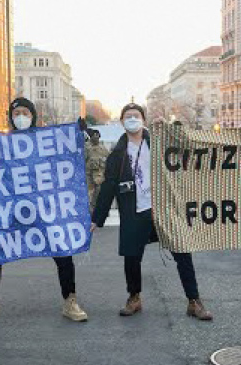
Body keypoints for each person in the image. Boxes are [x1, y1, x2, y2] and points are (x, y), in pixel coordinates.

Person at [0, 97, 88, 324]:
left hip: (43, 208)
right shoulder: (3, 142)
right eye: (17, 112)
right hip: (13, 210)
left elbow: (66, 158)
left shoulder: (45, 141)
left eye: (25, 113)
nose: (21, 116)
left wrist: (77, 135)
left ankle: (70, 300)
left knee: (63, 253)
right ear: (11, 117)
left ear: (33, 116)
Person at [91, 103, 213, 321]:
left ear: (143, 120)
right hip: (134, 211)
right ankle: (134, 297)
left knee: (183, 253)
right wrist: (96, 219)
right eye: (128, 117)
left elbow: (187, 145)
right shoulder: (117, 154)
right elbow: (108, 186)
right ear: (121, 122)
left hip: (164, 210)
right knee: (131, 257)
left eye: (136, 116)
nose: (132, 119)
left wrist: (167, 127)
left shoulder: (158, 142)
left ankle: (193, 301)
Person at [84, 128, 109, 211]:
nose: (96, 137)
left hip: (99, 176)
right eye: (94, 135)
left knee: (98, 194)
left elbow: (108, 159)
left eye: (97, 136)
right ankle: (90, 211)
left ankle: (97, 209)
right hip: (88, 175)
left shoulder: (102, 148)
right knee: (89, 195)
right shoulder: (86, 147)